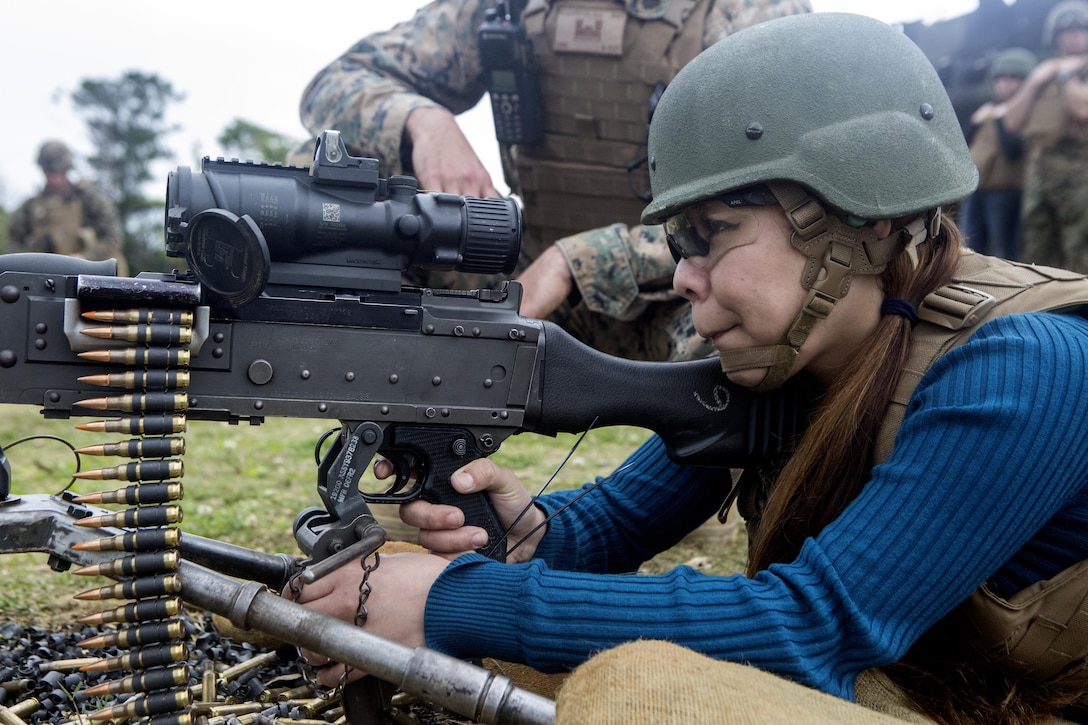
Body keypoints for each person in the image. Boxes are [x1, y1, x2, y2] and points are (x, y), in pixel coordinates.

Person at [288, 12, 1088, 724]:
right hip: (901, 679)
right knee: (388, 565)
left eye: (715, 233)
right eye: (680, 242)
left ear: (862, 220)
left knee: (642, 691)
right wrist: (532, 534)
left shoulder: (1021, 365)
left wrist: (457, 600)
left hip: (1001, 701)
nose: (681, 277)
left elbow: (810, 626)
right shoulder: (785, 354)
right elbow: (616, 521)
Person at [297, 0, 812, 363]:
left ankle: (712, 487)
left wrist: (582, 259)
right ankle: (406, 451)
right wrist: (423, 123)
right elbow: (334, 83)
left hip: (680, 281)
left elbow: (793, 196)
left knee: (780, 306)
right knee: (330, 187)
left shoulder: (747, 14)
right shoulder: (507, 6)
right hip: (522, 272)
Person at [1002, 0, 1088, 273]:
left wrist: (1064, 74)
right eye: (1067, 30)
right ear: (1054, 36)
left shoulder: (1076, 72)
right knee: (1037, 252)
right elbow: (1012, 121)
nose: (1075, 35)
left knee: (1079, 251)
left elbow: (1082, 110)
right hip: (1039, 170)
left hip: (1079, 171)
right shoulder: (1043, 73)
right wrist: (1035, 80)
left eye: (1081, 29)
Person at [957, 47, 1037, 261]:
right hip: (977, 190)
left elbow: (1013, 151)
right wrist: (976, 122)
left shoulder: (1025, 111)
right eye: (1001, 78)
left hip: (1006, 192)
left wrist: (1002, 119)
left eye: (1013, 78)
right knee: (969, 250)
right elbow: (963, 146)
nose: (1005, 83)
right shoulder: (987, 110)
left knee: (1005, 252)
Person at [8, 140, 128, 275]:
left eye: (58, 172)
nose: (54, 178)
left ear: (66, 169)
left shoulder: (88, 199)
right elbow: (13, 238)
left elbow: (113, 237)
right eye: (49, 173)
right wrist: (30, 264)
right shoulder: (32, 206)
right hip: (45, 278)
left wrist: (87, 258)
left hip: (86, 275)